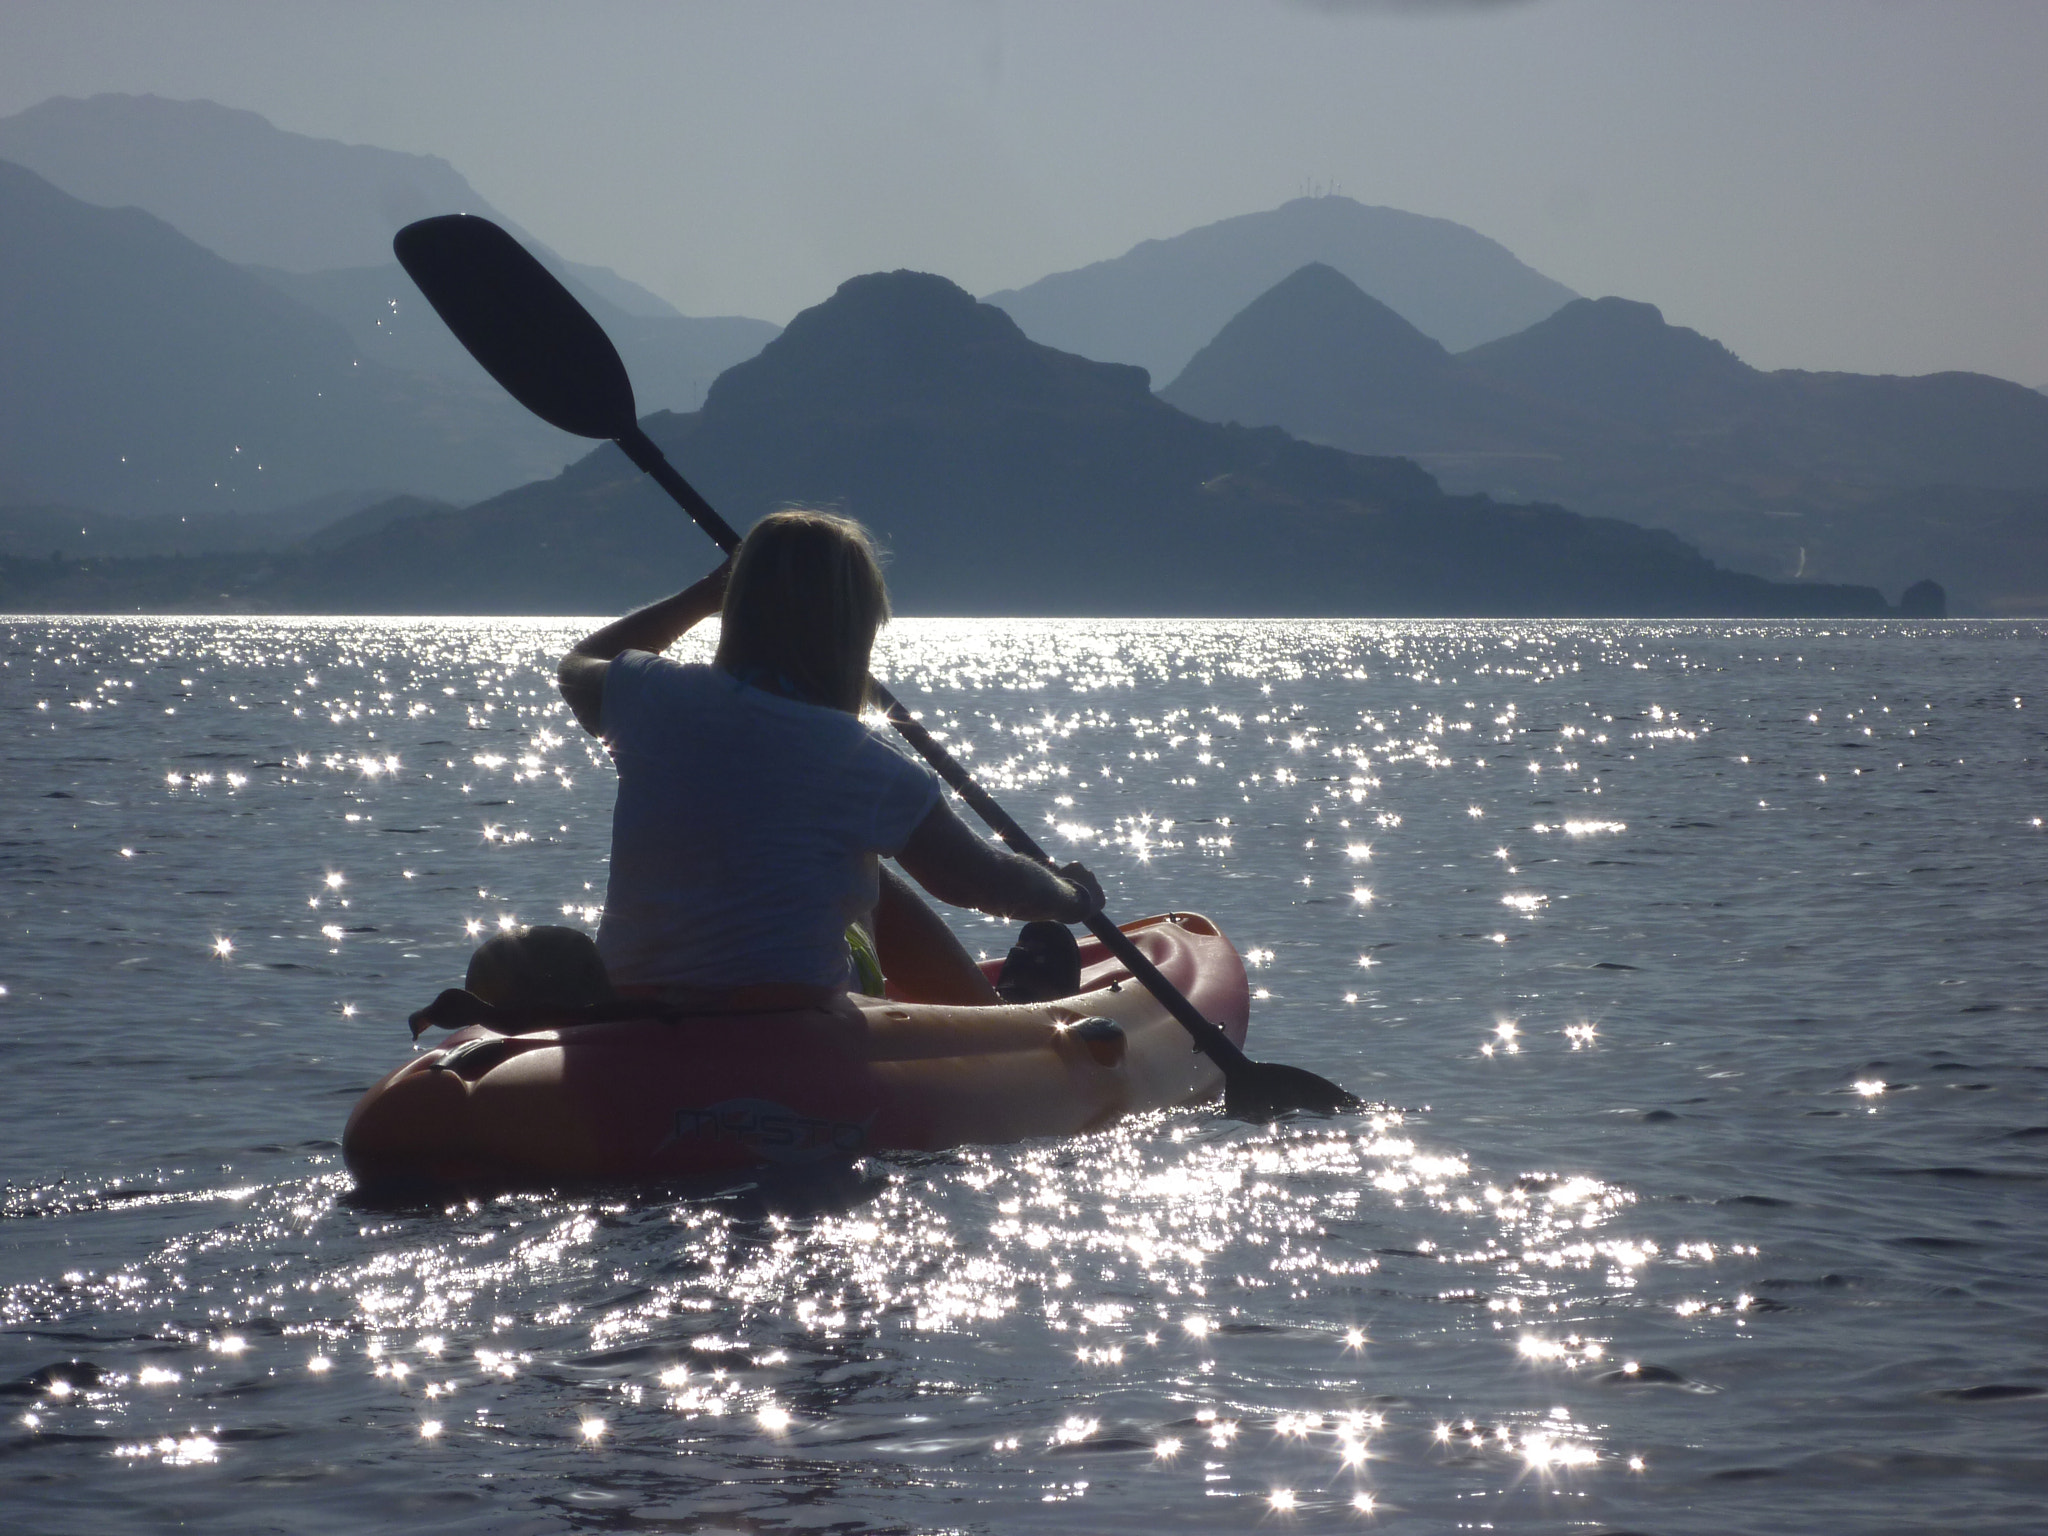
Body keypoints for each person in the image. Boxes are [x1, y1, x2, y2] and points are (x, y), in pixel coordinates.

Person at [554, 509, 1102, 1007]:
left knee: (859, 875)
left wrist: (704, 594)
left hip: (633, 1006)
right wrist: (1068, 896)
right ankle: (992, 1023)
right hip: (790, 1020)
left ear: (736, 606)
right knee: (870, 879)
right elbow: (981, 882)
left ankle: (984, 1012)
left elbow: (582, 662)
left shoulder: (652, 698)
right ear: (855, 628)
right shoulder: (865, 765)